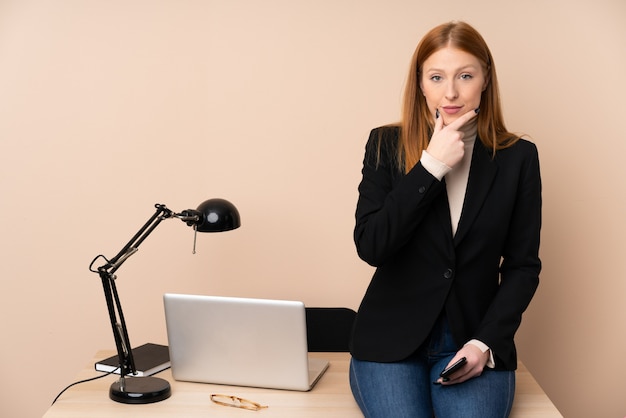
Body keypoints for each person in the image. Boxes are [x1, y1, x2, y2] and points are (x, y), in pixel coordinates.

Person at [349, 21, 541, 418]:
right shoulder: (385, 144)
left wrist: (485, 343)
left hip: (471, 337)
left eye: (465, 76)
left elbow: (523, 266)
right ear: (420, 83)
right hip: (390, 340)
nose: (450, 92)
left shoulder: (518, 158)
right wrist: (431, 166)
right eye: (436, 77)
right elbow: (372, 245)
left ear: (485, 79)